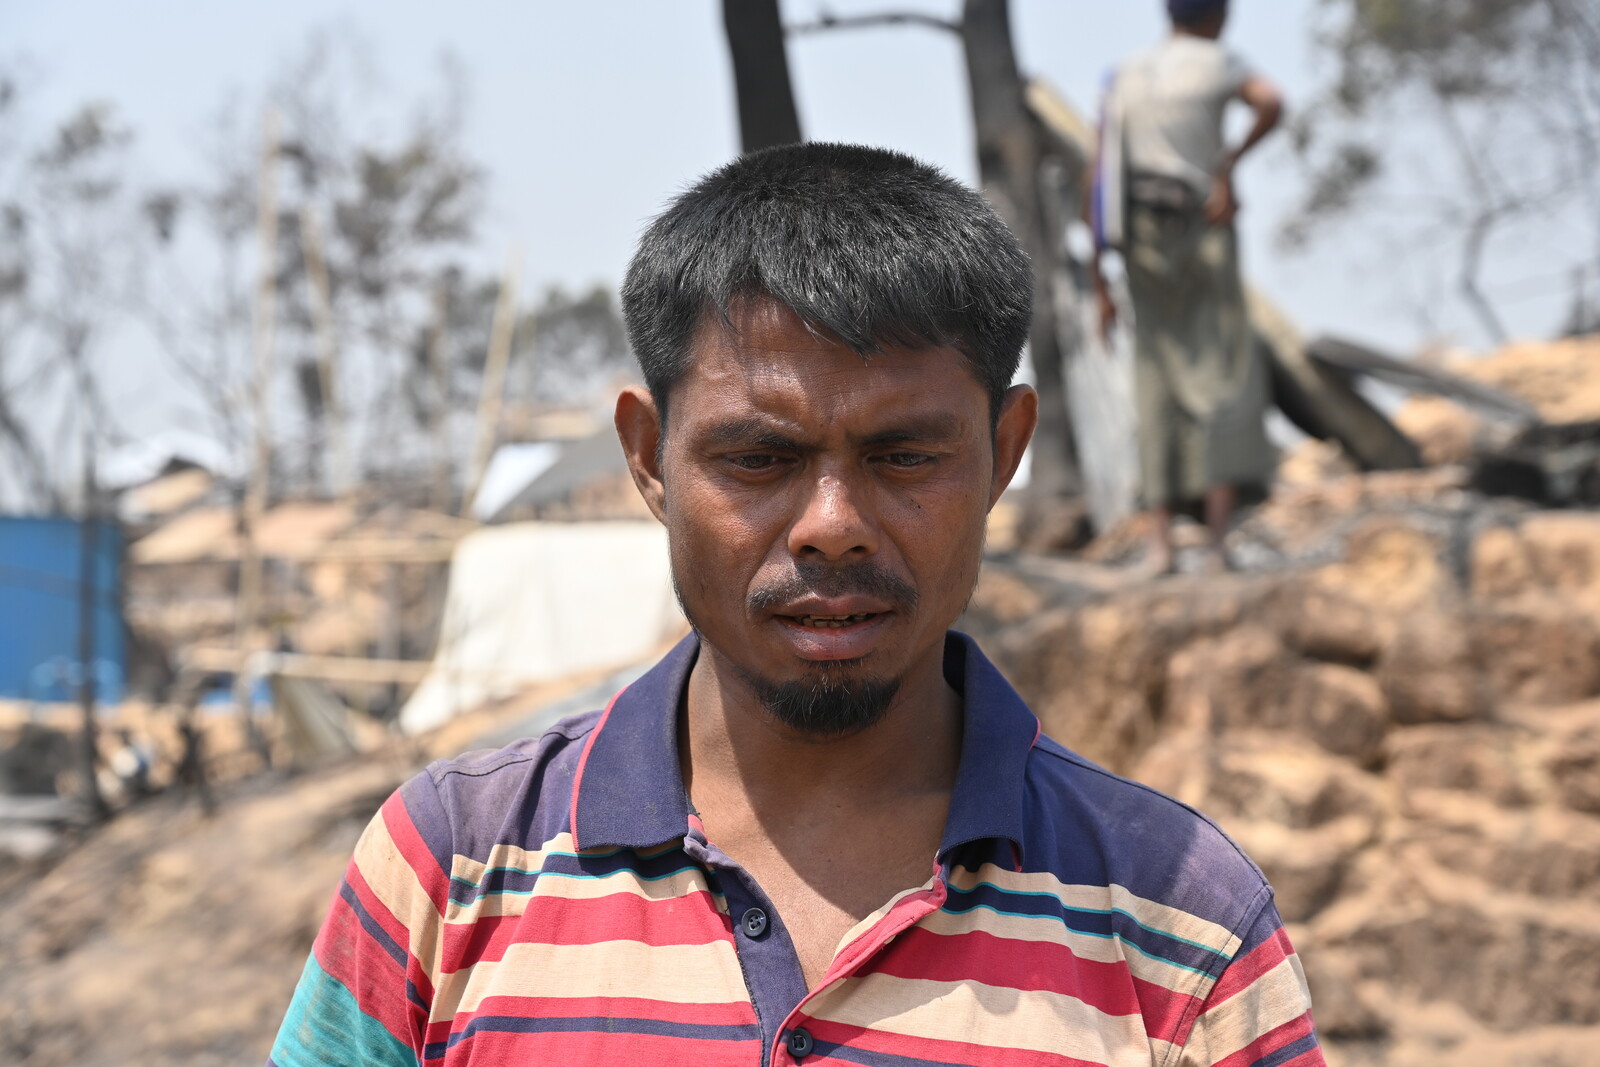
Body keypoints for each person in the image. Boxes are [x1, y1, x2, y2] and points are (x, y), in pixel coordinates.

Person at [268, 143, 1322, 1066]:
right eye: (759, 457)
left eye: (903, 454)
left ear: (1003, 452)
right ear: (649, 457)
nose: (831, 522)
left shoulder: (1180, 924)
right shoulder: (452, 865)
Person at [1090, 0, 1284, 574]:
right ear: (1219, 15)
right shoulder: (1220, 61)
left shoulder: (1125, 73)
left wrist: (1100, 272)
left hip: (1139, 234)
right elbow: (1271, 103)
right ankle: (1219, 543)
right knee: (1219, 372)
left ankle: (1160, 545)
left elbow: (1098, 168)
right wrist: (1228, 163)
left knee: (1155, 376)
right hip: (1202, 223)